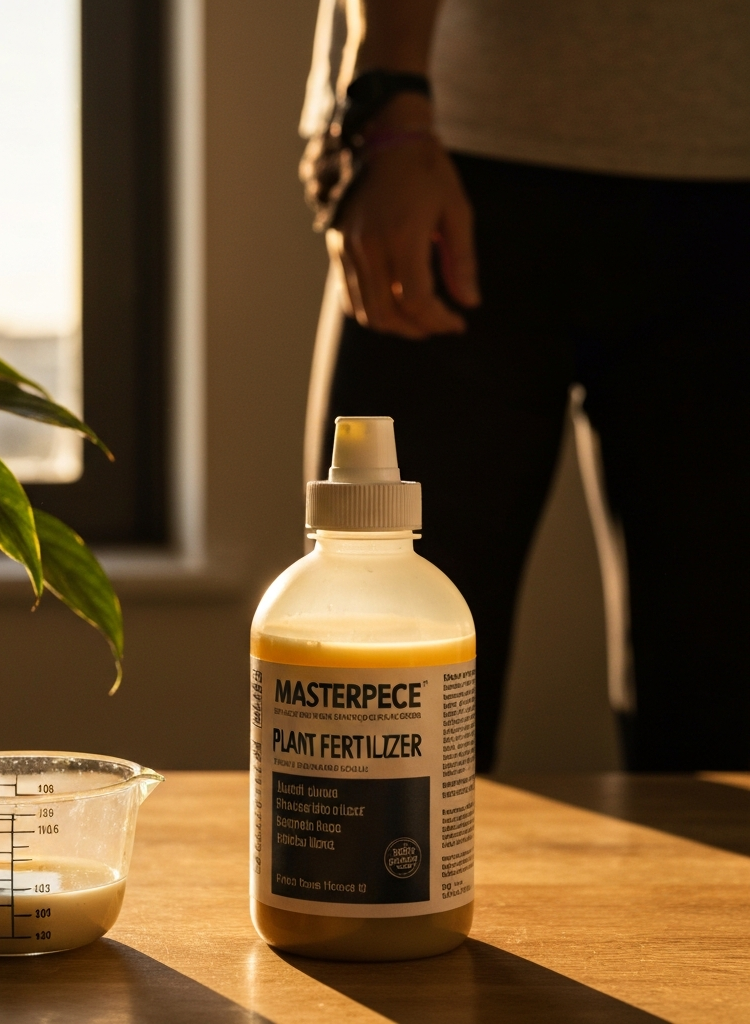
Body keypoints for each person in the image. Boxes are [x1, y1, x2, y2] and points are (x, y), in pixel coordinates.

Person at [300, 0, 750, 772]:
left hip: (729, 169)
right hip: (455, 140)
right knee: (380, 699)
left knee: (723, 722)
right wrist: (389, 99)